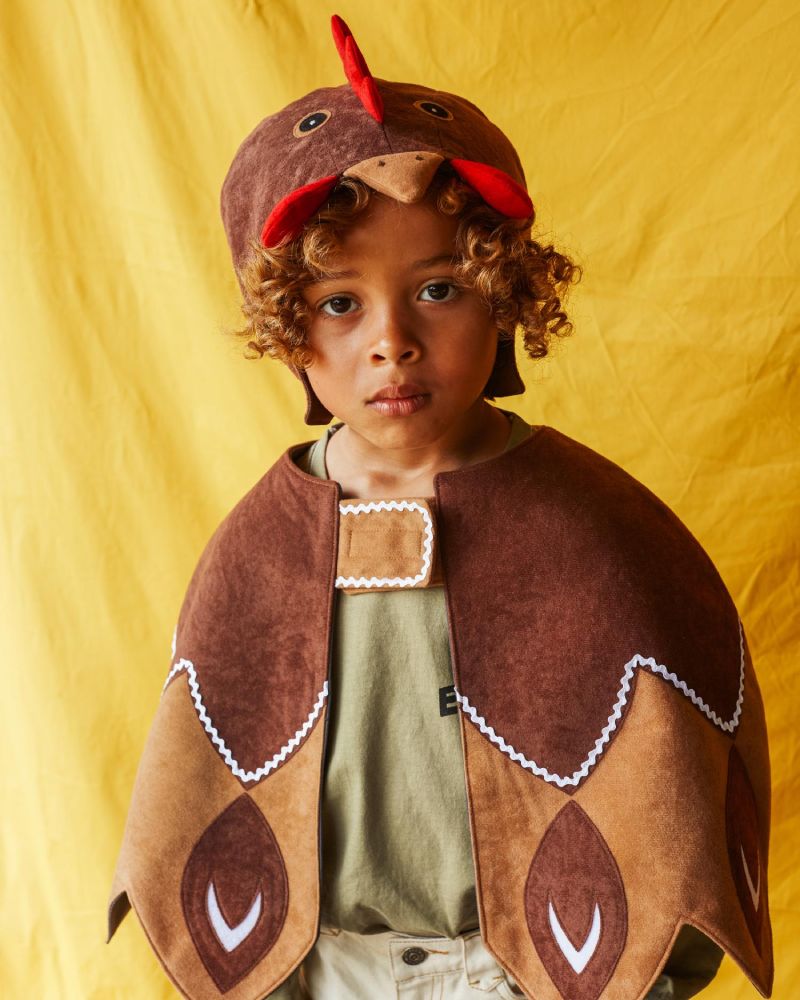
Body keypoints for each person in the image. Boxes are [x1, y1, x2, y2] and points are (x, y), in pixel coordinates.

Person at [107, 14, 773, 1000]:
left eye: (439, 288)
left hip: (531, 974)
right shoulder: (266, 539)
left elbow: (665, 784)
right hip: (322, 962)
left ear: (502, 294)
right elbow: (215, 769)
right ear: (289, 326)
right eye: (339, 303)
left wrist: (647, 973)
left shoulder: (592, 526)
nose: (391, 341)